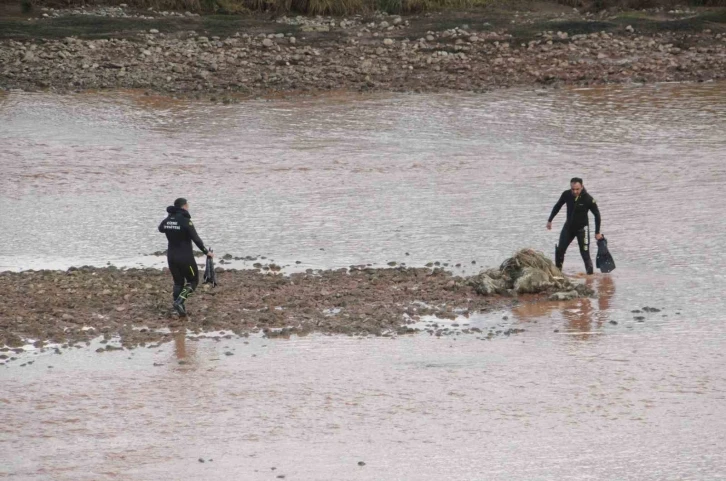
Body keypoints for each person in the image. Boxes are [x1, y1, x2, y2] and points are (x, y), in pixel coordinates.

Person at [158, 198, 213, 316]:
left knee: (178, 282)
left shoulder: (168, 219)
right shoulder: (185, 220)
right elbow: (196, 238)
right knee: (193, 280)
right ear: (184, 206)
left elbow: (161, 228)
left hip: (171, 257)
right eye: (187, 205)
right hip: (185, 257)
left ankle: (178, 308)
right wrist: (205, 252)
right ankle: (179, 302)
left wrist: (170, 216)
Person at [547, 178, 602, 275]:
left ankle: (590, 279)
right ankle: (558, 274)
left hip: (582, 230)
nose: (575, 191)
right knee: (560, 251)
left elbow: (597, 215)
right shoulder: (566, 194)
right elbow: (557, 206)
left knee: (585, 254)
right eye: (573, 189)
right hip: (568, 228)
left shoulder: (588, 199)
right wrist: (550, 220)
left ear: (582, 186)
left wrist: (597, 232)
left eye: (577, 189)